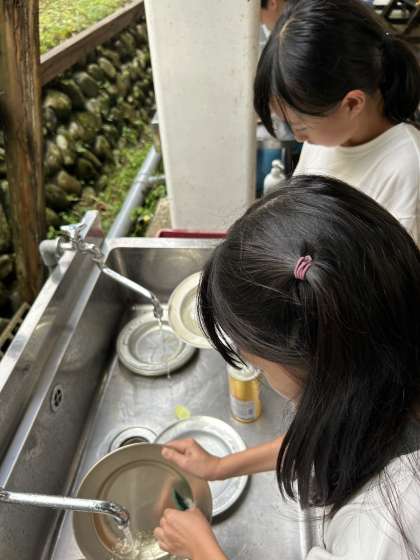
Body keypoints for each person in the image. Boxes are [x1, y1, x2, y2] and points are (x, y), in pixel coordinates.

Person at [154, 175, 420, 560]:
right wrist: (221, 466)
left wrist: (201, 549)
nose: (261, 376)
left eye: (258, 367)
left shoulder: (380, 532)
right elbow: (327, 435)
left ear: (325, 371)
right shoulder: (389, 359)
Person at [255, 0, 420, 242]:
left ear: (352, 104)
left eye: (300, 126)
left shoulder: (408, 167)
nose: (298, 137)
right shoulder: (320, 144)